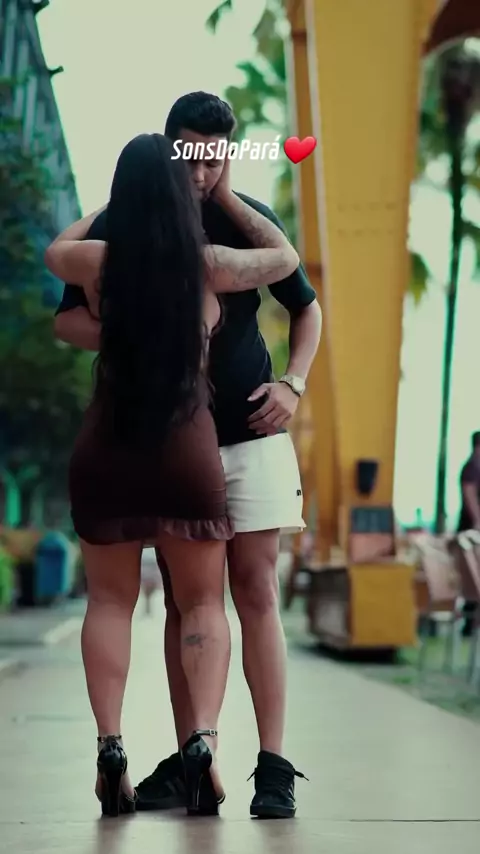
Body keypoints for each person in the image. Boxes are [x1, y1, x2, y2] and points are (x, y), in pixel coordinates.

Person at [53, 92, 321, 819]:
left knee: (253, 592)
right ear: (171, 148)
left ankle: (270, 767)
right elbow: (66, 318)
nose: (202, 173)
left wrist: (293, 383)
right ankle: (192, 755)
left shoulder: (239, 219)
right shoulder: (148, 237)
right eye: (191, 158)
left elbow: (304, 301)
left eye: (215, 160)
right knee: (188, 602)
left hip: (243, 431)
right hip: (182, 445)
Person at [457, 431, 480, 636]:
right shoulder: (472, 467)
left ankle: (470, 623)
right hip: (471, 533)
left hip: (471, 530)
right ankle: (469, 624)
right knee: (473, 579)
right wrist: (478, 521)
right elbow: (469, 493)